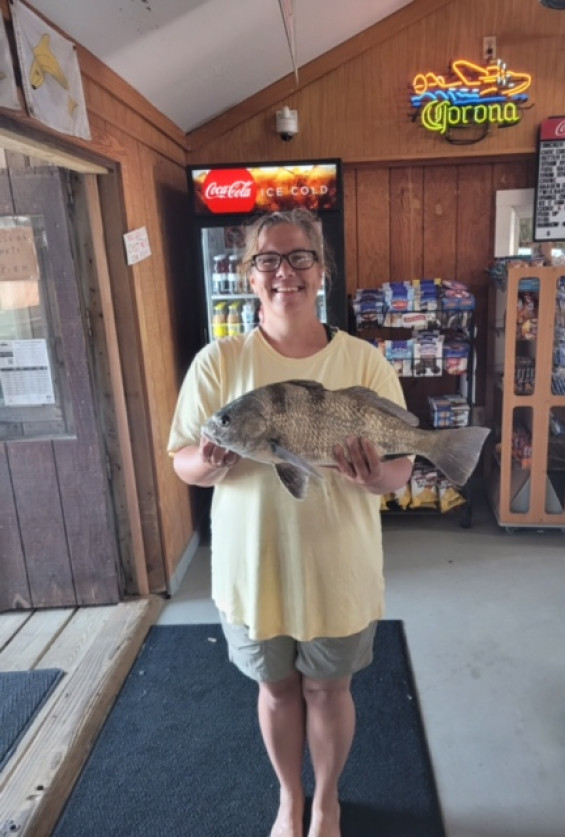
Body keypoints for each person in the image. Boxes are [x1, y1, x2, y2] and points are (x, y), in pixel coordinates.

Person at [168, 208, 412, 837]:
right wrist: (213, 461)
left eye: (299, 257)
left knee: (329, 691)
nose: (285, 272)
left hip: (339, 568)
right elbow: (184, 462)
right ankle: (289, 798)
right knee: (276, 692)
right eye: (268, 260)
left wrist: (371, 475)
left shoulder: (365, 362)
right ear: (250, 275)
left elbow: (400, 469)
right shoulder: (218, 364)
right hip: (254, 570)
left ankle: (326, 800)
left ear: (321, 270)